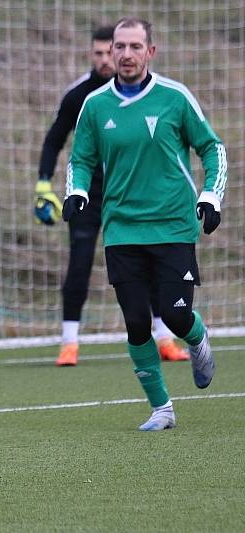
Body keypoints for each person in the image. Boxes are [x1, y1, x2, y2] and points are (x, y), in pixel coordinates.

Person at [63, 17, 226, 431]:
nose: (127, 54)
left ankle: (197, 339)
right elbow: (80, 158)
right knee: (136, 320)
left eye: (136, 46)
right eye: (120, 46)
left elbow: (213, 148)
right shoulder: (96, 105)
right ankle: (162, 410)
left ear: (150, 51)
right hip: (121, 229)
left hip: (172, 224)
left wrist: (211, 196)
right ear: (111, 51)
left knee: (175, 314)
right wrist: (76, 191)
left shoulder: (174, 98)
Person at [34, 25, 190, 366]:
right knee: (80, 262)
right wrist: (44, 185)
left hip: (132, 194)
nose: (109, 58)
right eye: (101, 53)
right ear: (94, 54)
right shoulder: (81, 96)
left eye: (112, 51)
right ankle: (69, 341)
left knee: (148, 262)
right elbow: (53, 140)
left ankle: (164, 337)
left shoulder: (146, 94)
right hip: (87, 196)